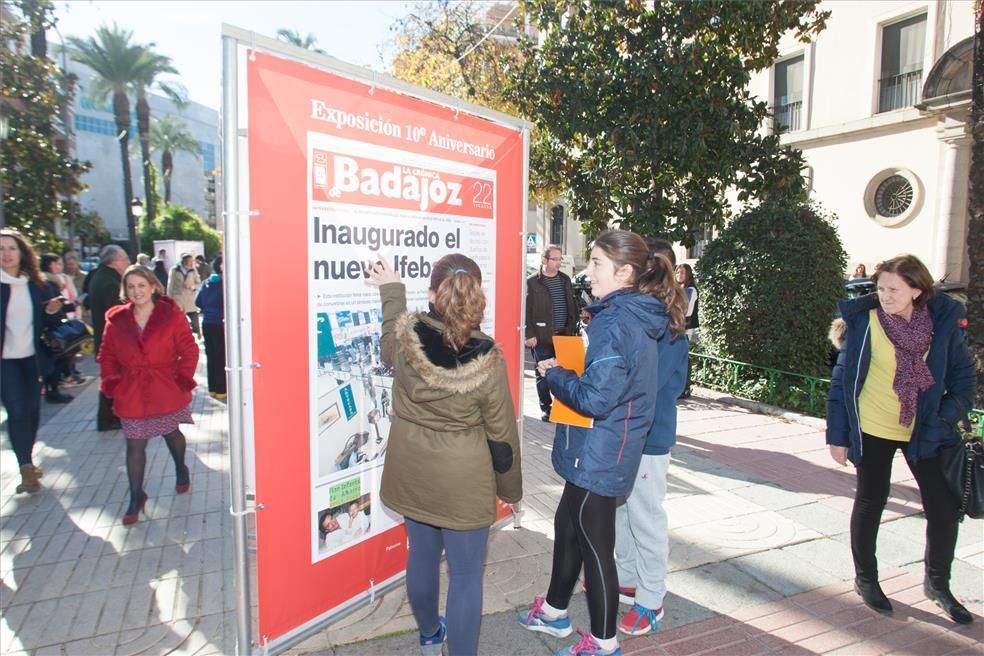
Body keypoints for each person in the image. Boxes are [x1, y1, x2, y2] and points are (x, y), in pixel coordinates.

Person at [517, 230, 666, 656]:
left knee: (596, 546)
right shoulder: (620, 315)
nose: (588, 271)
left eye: (598, 263)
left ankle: (604, 643)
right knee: (567, 525)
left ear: (625, 272)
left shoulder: (617, 321)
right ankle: (553, 612)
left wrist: (555, 374)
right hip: (596, 447)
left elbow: (596, 398)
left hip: (602, 449)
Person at [365, 252, 522, 656]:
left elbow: (388, 345)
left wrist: (392, 290)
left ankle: (430, 634)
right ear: (475, 294)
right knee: (467, 575)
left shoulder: (406, 337)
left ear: (432, 293)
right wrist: (511, 489)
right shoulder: (488, 356)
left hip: (413, 472)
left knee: (421, 556)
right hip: (463, 481)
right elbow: (502, 434)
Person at [826, 254, 976, 625]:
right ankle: (867, 580)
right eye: (880, 288)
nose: (885, 295)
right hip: (874, 426)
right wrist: (839, 435)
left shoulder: (940, 324)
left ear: (917, 290)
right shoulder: (865, 322)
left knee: (943, 508)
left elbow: (963, 375)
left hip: (924, 428)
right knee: (870, 500)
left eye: (893, 289)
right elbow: (842, 382)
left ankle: (938, 584)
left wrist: (947, 414)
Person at [614, 251, 689, 637]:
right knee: (623, 511)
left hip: (650, 439)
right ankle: (627, 578)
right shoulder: (651, 328)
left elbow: (644, 386)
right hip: (630, 435)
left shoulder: (668, 335)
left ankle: (651, 597)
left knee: (646, 518)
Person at [99, 265, 198, 526]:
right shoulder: (117, 320)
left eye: (141, 285)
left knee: (171, 432)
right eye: (131, 286)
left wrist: (183, 376)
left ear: (153, 286)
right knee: (134, 443)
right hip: (131, 391)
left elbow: (189, 348)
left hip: (165, 386)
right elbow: (106, 354)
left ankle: (180, 468)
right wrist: (112, 382)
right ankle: (135, 496)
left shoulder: (170, 315)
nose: (136, 291)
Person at [1, 229, 66, 493]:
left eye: (11, 248)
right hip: (6, 362)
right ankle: (26, 466)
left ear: (22, 252)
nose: (6, 254)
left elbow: (49, 323)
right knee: (16, 412)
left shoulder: (37, 285)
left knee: (33, 411)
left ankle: (28, 459)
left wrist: (52, 311)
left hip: (33, 358)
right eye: (1, 249)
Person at [526, 245, 578, 421]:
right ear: (544, 260)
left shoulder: (564, 279)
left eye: (559, 259)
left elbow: (571, 303)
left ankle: (560, 407)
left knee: (563, 371)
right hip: (542, 336)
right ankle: (546, 408)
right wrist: (529, 333)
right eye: (555, 259)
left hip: (564, 334)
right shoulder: (532, 282)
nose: (558, 263)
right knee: (543, 373)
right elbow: (526, 309)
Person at [88, 245, 130, 431]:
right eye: (125, 259)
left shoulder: (104, 277)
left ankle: (111, 417)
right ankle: (109, 418)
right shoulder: (109, 282)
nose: (128, 263)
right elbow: (118, 314)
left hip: (108, 340)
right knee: (113, 380)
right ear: (114, 262)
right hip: (111, 342)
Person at [38, 253, 79, 403]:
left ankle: (51, 390)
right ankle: (53, 391)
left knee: (55, 360)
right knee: (57, 359)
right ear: (50, 265)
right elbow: (54, 308)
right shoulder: (49, 284)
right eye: (57, 263)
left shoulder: (45, 283)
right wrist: (74, 305)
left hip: (48, 328)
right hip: (53, 329)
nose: (60, 267)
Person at [195, 255, 225, 399]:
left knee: (211, 356)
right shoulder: (226, 283)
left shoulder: (207, 282)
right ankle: (221, 389)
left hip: (207, 322)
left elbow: (198, 302)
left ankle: (213, 388)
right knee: (221, 357)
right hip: (220, 323)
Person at [675, 263, 699, 398]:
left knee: (683, 358)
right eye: (678, 272)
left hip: (685, 328)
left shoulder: (691, 290)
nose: (679, 275)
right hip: (677, 326)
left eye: (683, 272)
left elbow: (687, 311)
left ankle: (685, 387)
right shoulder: (677, 289)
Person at [167, 253, 202, 339]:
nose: (191, 262)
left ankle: (197, 332)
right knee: (178, 315)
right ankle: (178, 333)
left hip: (189, 296)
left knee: (194, 315)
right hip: (178, 296)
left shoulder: (193, 270)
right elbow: (170, 284)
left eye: (191, 261)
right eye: (189, 261)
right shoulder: (175, 270)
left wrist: (192, 286)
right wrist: (169, 297)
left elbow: (198, 282)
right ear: (184, 261)